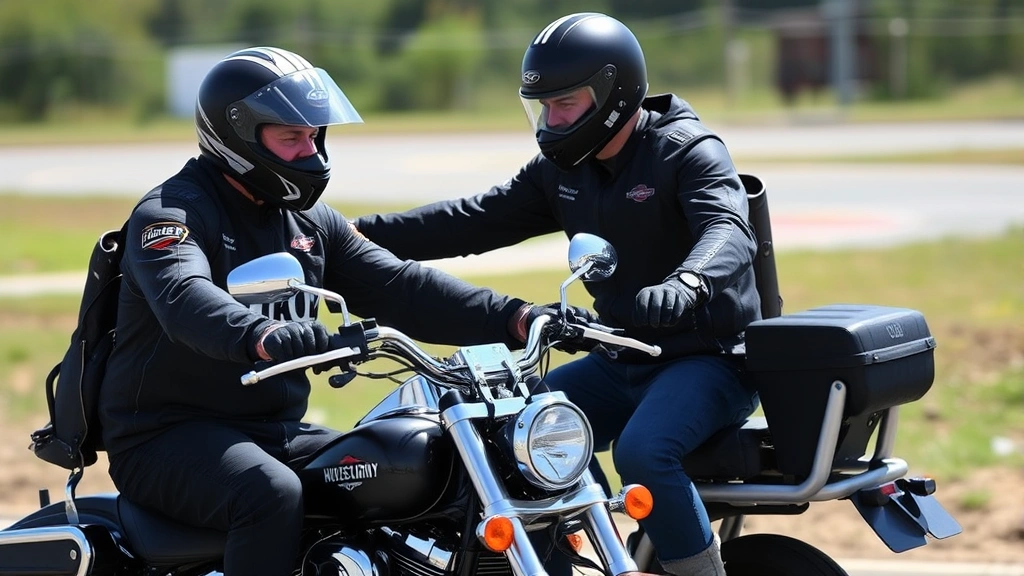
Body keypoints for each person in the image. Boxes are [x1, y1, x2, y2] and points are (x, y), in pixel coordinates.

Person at [98, 46, 557, 576]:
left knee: (403, 465)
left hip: (271, 429)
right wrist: (260, 334)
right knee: (267, 493)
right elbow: (184, 297)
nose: (310, 152)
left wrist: (517, 316)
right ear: (237, 137)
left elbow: (400, 286)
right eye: (291, 138)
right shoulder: (172, 213)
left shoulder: (308, 222)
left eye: (315, 136)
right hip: (164, 436)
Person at [352, 13, 761, 576]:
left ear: (613, 95)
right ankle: (579, 561)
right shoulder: (564, 169)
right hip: (620, 358)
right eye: (542, 106)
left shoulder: (685, 151)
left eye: (564, 104)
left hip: (708, 360)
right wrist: (355, 238)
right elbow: (474, 220)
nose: (550, 119)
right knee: (520, 437)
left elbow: (729, 229)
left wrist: (687, 284)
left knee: (644, 452)